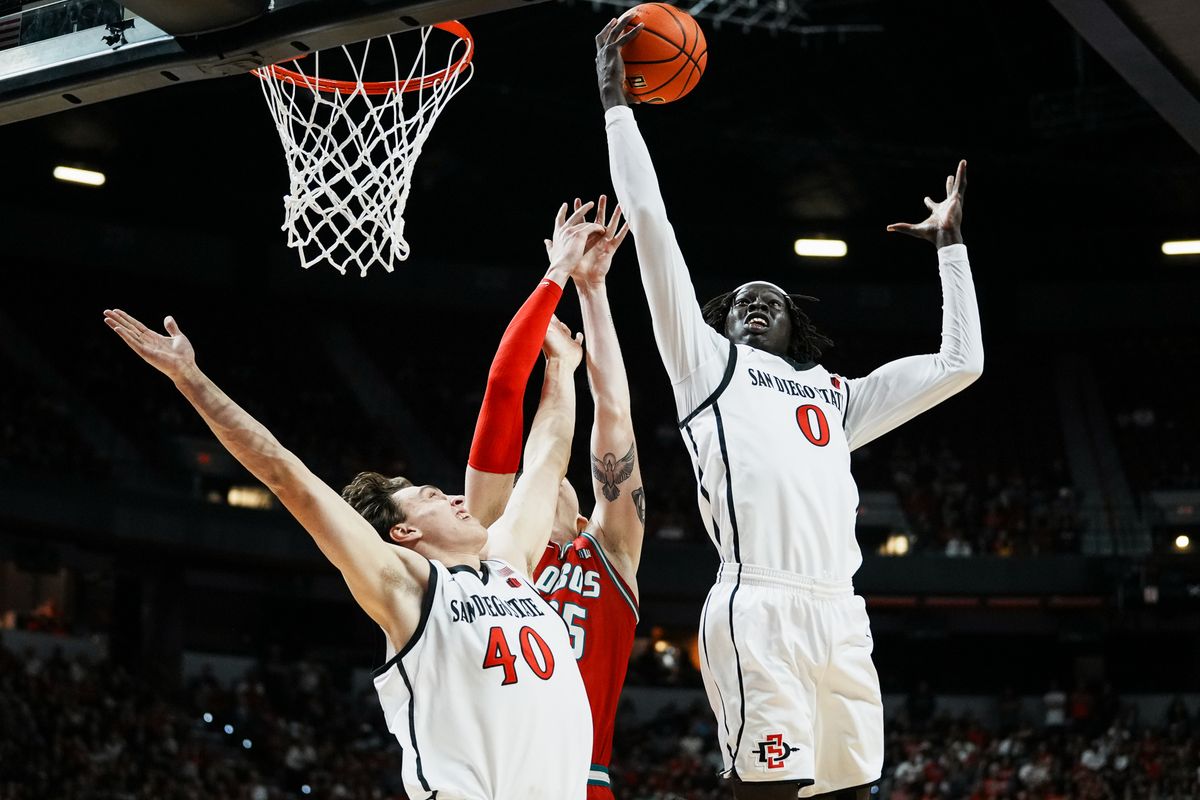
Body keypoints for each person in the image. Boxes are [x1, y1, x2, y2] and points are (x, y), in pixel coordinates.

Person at [594, 17, 984, 800]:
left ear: (796, 324)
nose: (754, 303)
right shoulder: (704, 365)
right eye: (741, 300)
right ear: (719, 320)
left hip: (841, 612)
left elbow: (960, 363)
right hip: (758, 602)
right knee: (766, 791)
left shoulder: (835, 395)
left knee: (848, 791)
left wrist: (950, 248)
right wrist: (615, 105)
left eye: (770, 299)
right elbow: (651, 225)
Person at [101, 206, 604, 799]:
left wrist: (563, 368)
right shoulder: (406, 586)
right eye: (427, 497)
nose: (450, 495)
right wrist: (191, 379)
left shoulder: (508, 565)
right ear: (404, 534)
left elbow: (547, 457)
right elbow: (285, 472)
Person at [466, 196, 645, 799]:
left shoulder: (611, 551)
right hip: (499, 780)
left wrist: (592, 291)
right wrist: (557, 280)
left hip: (584, 781)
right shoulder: (494, 539)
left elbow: (615, 416)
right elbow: (499, 392)